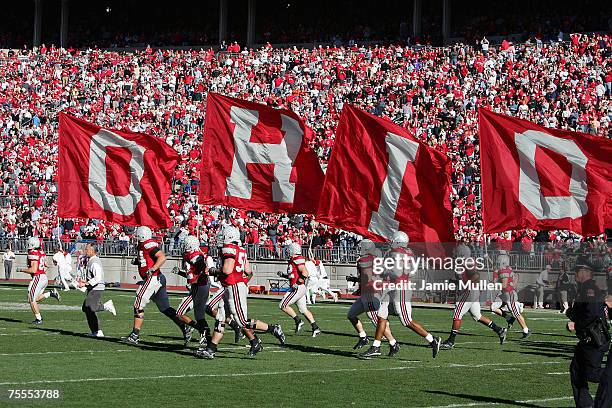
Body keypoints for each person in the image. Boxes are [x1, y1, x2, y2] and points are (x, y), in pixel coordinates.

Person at [195, 226, 285, 359]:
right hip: (231, 286)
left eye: (223, 235)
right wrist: (242, 282)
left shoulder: (228, 249)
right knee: (220, 318)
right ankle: (211, 349)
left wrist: (213, 271)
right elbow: (248, 271)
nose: (221, 237)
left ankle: (273, 329)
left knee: (241, 321)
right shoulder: (240, 249)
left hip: (233, 287)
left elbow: (227, 270)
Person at [359, 232, 441, 359]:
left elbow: (396, 273)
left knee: (406, 320)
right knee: (381, 315)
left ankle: (432, 339)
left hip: (399, 288)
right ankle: (376, 346)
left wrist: (383, 270)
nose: (391, 241)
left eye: (393, 240)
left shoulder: (395, 252)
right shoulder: (409, 252)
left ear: (398, 241)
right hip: (395, 287)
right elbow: (412, 272)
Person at [121, 226, 190, 345]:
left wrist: (152, 269)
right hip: (157, 278)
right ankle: (185, 327)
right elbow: (147, 258)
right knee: (165, 308)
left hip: (152, 278)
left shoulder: (148, 244)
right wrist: (138, 261)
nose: (135, 238)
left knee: (138, 304)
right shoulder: (143, 245)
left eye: (137, 235)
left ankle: (134, 335)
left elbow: (162, 257)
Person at [440, 244, 507, 350]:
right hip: (471, 291)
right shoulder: (463, 262)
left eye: (456, 252)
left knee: (457, 314)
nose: (454, 254)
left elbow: (476, 275)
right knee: (477, 316)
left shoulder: (467, 262)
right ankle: (499, 330)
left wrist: (467, 285)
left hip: (469, 291)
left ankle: (451, 341)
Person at [566, 257, 612, 408]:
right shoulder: (584, 288)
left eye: (577, 271)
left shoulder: (589, 289)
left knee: (592, 374)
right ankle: (584, 404)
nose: (575, 274)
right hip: (587, 339)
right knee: (576, 370)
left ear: (586, 272)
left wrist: (576, 325)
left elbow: (592, 314)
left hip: (594, 339)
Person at [347, 239, 399, 356]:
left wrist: (357, 280)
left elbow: (367, 278)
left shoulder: (364, 260)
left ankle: (392, 343)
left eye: (361, 247)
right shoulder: (374, 259)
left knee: (377, 320)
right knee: (351, 315)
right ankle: (363, 337)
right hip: (369, 292)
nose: (359, 249)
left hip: (371, 292)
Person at [173, 235, 213, 346]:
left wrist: (203, 273)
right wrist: (180, 273)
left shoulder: (195, 255)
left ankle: (201, 329)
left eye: (185, 243)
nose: (183, 245)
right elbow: (192, 275)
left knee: (179, 313)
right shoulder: (190, 255)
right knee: (199, 316)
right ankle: (208, 339)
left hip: (199, 287)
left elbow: (202, 267)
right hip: (200, 287)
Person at [277, 242, 321, 337]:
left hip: (298, 287)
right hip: (299, 287)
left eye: (288, 250)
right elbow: (293, 275)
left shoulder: (297, 258)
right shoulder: (292, 260)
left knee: (283, 305)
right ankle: (315, 327)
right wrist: (284, 275)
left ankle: (298, 320)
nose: (287, 252)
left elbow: (305, 272)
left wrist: (297, 283)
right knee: (303, 309)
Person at [77, 243, 116, 337]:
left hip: (97, 288)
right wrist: (85, 281)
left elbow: (98, 278)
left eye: (87, 249)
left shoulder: (94, 262)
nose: (85, 251)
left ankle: (106, 306)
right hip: (94, 287)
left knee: (90, 308)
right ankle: (96, 331)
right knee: (87, 308)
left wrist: (85, 283)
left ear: (92, 250)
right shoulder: (92, 260)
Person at [18, 237, 60, 324]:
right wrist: (41, 274)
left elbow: (33, 270)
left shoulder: (32, 253)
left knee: (31, 299)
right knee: (35, 299)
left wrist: (21, 270)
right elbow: (47, 266)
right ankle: (50, 293)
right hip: (43, 277)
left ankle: (39, 319)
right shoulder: (41, 253)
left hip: (38, 277)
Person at [491, 251, 531, 338]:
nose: (498, 263)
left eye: (499, 261)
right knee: (493, 307)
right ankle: (509, 318)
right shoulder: (507, 269)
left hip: (508, 293)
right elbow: (515, 277)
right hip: (503, 293)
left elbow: (504, 284)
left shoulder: (504, 271)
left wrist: (495, 283)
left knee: (515, 313)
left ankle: (526, 330)